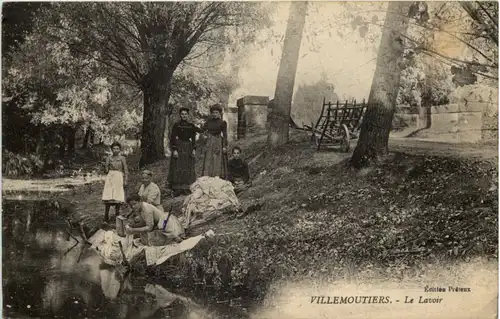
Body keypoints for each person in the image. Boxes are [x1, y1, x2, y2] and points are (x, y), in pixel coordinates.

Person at [167, 107, 198, 196]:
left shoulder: (191, 126)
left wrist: (193, 149)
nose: (184, 115)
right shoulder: (176, 125)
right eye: (182, 114)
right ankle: (177, 188)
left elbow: (193, 139)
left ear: (188, 115)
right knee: (178, 166)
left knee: (187, 166)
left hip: (188, 147)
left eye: (185, 114)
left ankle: (186, 187)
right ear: (180, 115)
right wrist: (175, 150)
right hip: (179, 146)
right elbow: (173, 138)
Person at [102, 142, 128, 223]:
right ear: (111, 149)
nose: (116, 150)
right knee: (109, 196)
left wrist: (126, 179)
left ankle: (117, 214)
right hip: (110, 177)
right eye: (114, 148)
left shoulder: (122, 158)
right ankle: (106, 216)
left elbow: (125, 170)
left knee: (117, 196)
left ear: (120, 149)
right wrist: (105, 165)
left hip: (119, 176)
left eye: (117, 148)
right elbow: (106, 171)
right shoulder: (109, 158)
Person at [200, 104, 228, 179]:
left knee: (217, 158)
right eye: (213, 112)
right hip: (209, 141)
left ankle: (216, 176)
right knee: (208, 159)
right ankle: (207, 176)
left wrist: (224, 146)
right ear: (211, 113)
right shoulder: (209, 122)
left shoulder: (223, 122)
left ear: (219, 113)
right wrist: (192, 128)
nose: (215, 114)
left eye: (216, 112)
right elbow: (201, 130)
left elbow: (225, 135)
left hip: (218, 142)